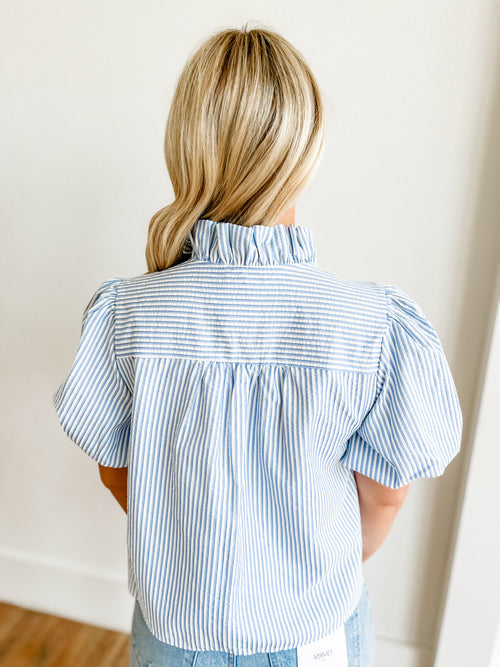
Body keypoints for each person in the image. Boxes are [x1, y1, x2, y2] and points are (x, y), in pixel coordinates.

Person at [52, 24, 463, 667]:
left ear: (184, 144)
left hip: (177, 631)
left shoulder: (126, 315)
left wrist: (185, 544)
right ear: (306, 150)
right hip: (317, 631)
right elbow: (386, 492)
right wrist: (318, 568)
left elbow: (116, 469)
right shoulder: (370, 325)